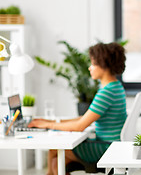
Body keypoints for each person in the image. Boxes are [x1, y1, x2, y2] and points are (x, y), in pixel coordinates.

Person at [29, 42, 127, 175]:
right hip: (110, 144)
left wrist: (48, 124)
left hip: (106, 147)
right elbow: (86, 118)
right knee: (56, 162)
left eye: (93, 64)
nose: (89, 68)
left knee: (54, 149)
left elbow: (80, 126)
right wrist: (49, 122)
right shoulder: (116, 87)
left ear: (103, 65)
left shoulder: (106, 92)